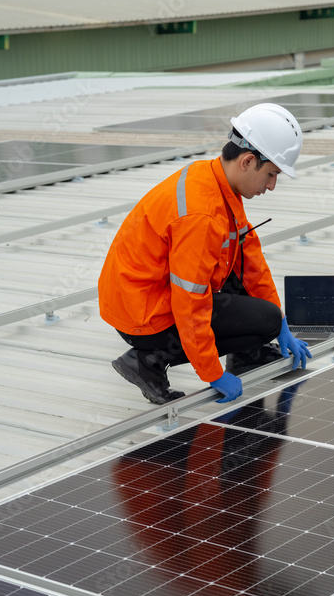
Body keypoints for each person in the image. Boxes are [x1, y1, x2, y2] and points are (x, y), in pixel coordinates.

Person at [98, 103, 311, 405]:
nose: (272, 186)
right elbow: (189, 299)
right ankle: (147, 360)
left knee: (269, 316)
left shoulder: (214, 180)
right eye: (271, 174)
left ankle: (248, 354)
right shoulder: (202, 215)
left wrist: (283, 325)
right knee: (264, 320)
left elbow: (249, 261)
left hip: (142, 295)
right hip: (142, 315)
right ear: (248, 161)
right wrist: (212, 374)